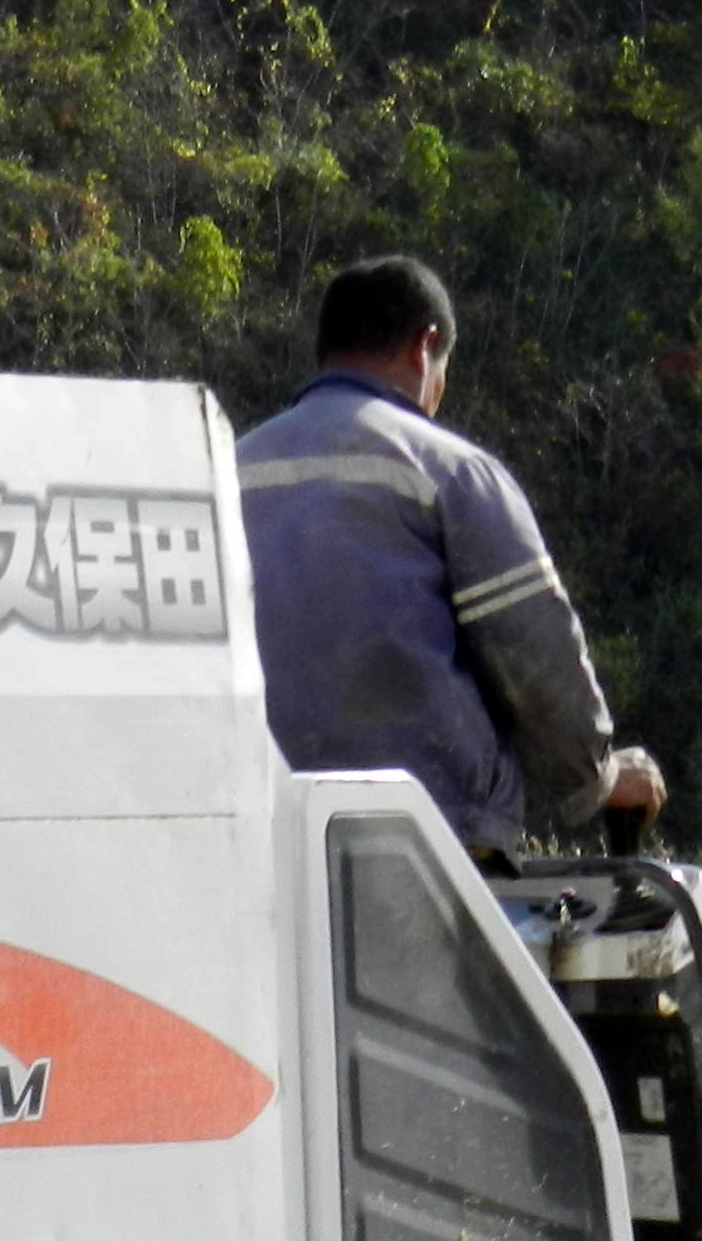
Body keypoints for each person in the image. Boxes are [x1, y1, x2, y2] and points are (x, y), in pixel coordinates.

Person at [235, 256, 665, 853]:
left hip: (260, 835)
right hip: (425, 844)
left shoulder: (228, 469)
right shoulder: (451, 472)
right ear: (425, 347)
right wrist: (600, 779)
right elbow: (535, 654)